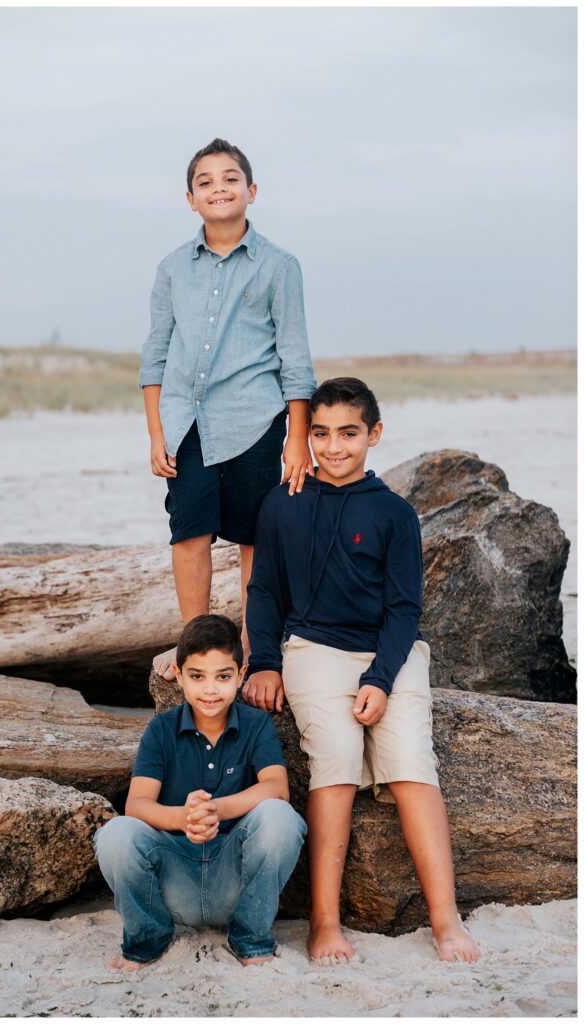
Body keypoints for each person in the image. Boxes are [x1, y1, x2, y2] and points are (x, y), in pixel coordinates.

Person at [243, 377, 480, 966]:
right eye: (319, 433)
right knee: (338, 760)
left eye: (348, 433)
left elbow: (405, 611)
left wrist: (379, 679)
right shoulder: (281, 503)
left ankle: (445, 918)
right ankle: (326, 922)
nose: (333, 447)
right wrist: (266, 662)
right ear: (307, 436)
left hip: (389, 653)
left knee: (410, 763)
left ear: (374, 434)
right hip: (313, 651)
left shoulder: (395, 513)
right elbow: (265, 590)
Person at [139, 137, 316, 680]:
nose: (219, 188)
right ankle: (195, 645)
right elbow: (156, 354)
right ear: (190, 199)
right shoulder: (172, 268)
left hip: (256, 423)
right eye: (206, 182)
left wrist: (297, 438)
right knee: (188, 534)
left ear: (252, 190)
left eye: (230, 178)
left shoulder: (280, 266)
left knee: (255, 539)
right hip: (187, 424)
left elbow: (296, 359)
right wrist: (156, 434)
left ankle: (252, 645)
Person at [94, 614, 306, 970]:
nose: (210, 689)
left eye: (223, 677)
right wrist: (184, 817)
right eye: (197, 676)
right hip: (174, 886)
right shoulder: (161, 729)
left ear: (241, 676)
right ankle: (148, 938)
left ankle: (250, 939)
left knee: (280, 817)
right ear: (178, 676)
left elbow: (276, 787)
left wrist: (217, 810)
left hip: (234, 884)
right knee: (115, 834)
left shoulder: (255, 724)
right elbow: (137, 803)